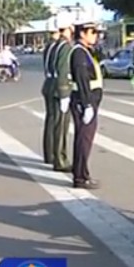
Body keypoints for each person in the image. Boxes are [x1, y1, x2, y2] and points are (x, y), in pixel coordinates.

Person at [68, 21, 103, 189]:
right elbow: (82, 79)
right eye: (93, 32)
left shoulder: (86, 51)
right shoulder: (79, 53)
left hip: (88, 100)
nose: (96, 35)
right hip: (84, 101)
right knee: (84, 139)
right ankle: (80, 177)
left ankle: (81, 172)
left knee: (85, 138)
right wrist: (87, 104)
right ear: (82, 34)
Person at [49, 19, 75, 172]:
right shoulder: (65, 47)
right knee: (61, 127)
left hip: (55, 88)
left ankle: (58, 157)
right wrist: (64, 92)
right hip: (61, 91)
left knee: (58, 125)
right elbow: (63, 70)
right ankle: (60, 160)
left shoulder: (58, 45)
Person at [41, 23, 62, 165]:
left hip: (48, 83)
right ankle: (55, 154)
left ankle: (48, 154)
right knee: (56, 122)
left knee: (50, 120)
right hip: (55, 84)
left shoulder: (48, 47)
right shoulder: (57, 47)